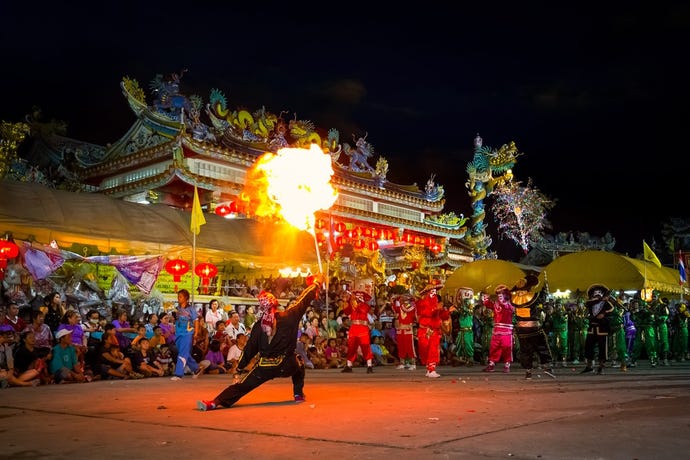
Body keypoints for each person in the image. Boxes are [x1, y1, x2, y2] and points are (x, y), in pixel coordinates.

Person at [196, 272, 324, 411]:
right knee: (299, 364)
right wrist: (316, 284)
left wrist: (238, 369)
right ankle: (298, 394)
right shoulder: (289, 317)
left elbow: (250, 349)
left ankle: (215, 402)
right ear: (275, 305)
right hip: (286, 364)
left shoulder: (258, 326)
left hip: (264, 367)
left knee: (242, 386)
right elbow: (303, 300)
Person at [511, 275, 555, 380]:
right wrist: (545, 289)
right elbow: (543, 299)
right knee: (541, 346)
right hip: (534, 327)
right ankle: (546, 367)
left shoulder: (515, 298)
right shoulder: (533, 296)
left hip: (521, 329)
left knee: (525, 350)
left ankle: (528, 372)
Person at [416, 281, 449, 378]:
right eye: (432, 291)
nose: (434, 293)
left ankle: (432, 369)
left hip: (434, 330)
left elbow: (442, 316)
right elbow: (427, 313)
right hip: (425, 330)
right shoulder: (422, 303)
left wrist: (448, 311)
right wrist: (436, 309)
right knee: (425, 349)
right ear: (427, 292)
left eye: (435, 291)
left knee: (433, 350)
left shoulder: (437, 304)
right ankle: (429, 368)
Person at [171, 289, 206, 380]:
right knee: (183, 352)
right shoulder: (177, 308)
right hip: (178, 333)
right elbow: (175, 320)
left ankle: (178, 374)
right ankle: (196, 368)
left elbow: (196, 321)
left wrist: (196, 334)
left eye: (180, 297)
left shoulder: (191, 309)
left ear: (186, 298)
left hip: (187, 333)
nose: (178, 298)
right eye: (178, 297)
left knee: (183, 353)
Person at [581, 284, 615, 375]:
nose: (596, 296)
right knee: (588, 347)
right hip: (592, 328)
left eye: (599, 294)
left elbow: (612, 311)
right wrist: (600, 299)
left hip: (602, 329)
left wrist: (604, 314)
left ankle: (601, 367)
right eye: (595, 295)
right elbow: (587, 303)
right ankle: (589, 366)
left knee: (602, 349)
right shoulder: (590, 303)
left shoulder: (607, 304)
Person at [481, 285, 515, 373]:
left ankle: (507, 365)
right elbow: (488, 304)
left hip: (507, 331)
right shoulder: (496, 304)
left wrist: (504, 303)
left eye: (501, 294)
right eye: (498, 294)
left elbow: (508, 308)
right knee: (494, 347)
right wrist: (485, 297)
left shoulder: (510, 305)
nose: (499, 296)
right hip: (496, 330)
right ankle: (491, 364)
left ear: (506, 295)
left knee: (507, 347)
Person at [340, 290, 375, 374]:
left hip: (363, 328)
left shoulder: (365, 305)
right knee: (351, 347)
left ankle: (369, 365)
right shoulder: (352, 304)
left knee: (365, 346)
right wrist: (346, 301)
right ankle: (349, 365)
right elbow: (346, 311)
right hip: (354, 328)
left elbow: (363, 310)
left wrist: (356, 301)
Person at [391, 293, 417, 370]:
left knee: (409, 347)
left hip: (408, 329)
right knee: (401, 346)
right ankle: (403, 363)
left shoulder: (412, 306)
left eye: (404, 298)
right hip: (400, 329)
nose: (402, 299)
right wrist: (393, 299)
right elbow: (394, 308)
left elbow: (406, 309)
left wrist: (400, 300)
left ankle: (413, 363)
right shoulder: (400, 307)